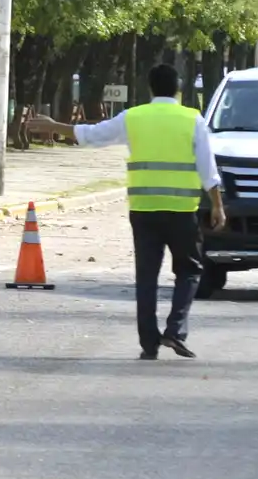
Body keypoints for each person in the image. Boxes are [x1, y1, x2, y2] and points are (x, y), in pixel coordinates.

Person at [29, 64, 225, 359]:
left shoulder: (133, 117)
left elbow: (92, 135)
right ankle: (175, 331)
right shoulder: (192, 119)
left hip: (144, 210)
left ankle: (149, 344)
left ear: (150, 88)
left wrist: (54, 125)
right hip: (182, 210)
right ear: (178, 90)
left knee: (146, 277)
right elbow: (207, 169)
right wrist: (218, 206)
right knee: (189, 270)